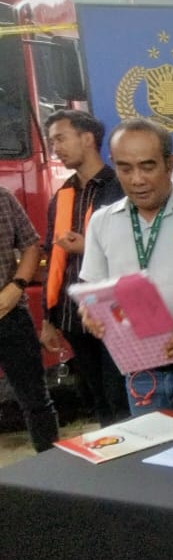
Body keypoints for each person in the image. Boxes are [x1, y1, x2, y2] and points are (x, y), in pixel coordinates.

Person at [80, 118, 173, 420]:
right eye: (125, 168)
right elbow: (91, 292)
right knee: (153, 458)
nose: (137, 179)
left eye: (147, 166)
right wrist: (91, 314)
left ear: (170, 164)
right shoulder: (102, 222)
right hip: (140, 373)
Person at [40, 109, 130, 426]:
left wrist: (87, 246)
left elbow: (134, 248)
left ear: (87, 138)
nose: (56, 149)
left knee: (121, 397)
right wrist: (49, 319)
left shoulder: (119, 187)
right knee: (98, 401)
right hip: (73, 316)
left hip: (114, 313)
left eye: (61, 139)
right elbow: (53, 260)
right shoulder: (62, 195)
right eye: (52, 143)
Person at [0, 189, 60, 452]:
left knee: (36, 401)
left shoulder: (3, 198)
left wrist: (17, 286)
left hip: (10, 314)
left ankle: (52, 477)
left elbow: (30, 245)